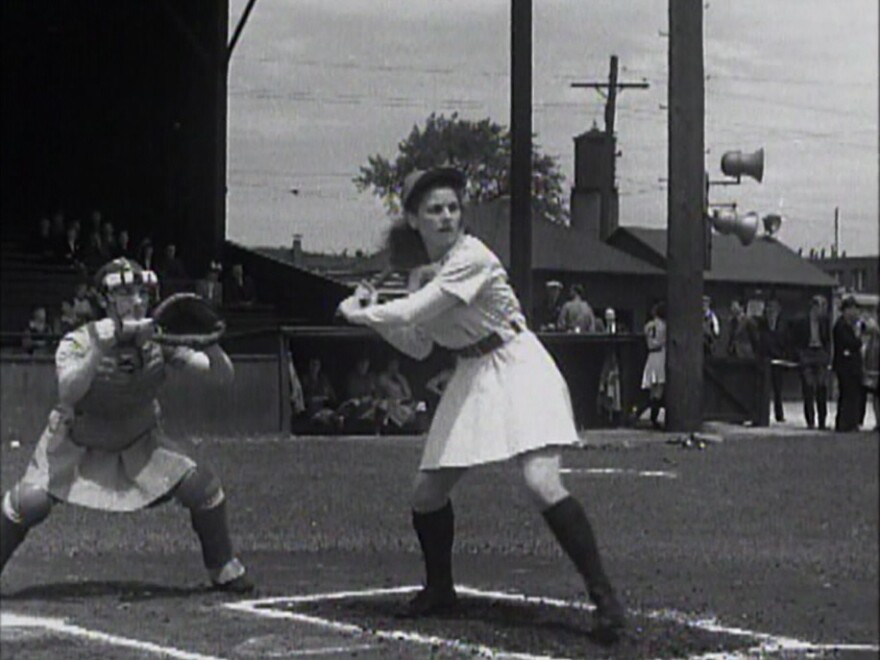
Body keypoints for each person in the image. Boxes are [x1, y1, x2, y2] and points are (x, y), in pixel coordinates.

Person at [336, 166, 625, 642]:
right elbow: (418, 346)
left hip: (518, 363)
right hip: (472, 374)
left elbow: (413, 313)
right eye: (434, 209)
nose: (447, 216)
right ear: (413, 219)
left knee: (540, 482)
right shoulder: (421, 274)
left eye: (452, 207)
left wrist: (359, 312)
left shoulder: (473, 255)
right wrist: (375, 319)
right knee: (426, 494)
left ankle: (605, 599)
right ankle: (440, 590)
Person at [0, 258, 253, 593]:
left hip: (139, 440)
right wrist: (100, 350)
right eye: (126, 294)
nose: (137, 302)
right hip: (78, 441)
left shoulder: (158, 340)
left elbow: (221, 378)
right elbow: (69, 392)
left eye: (141, 294)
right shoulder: (80, 339)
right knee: (29, 501)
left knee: (203, 487)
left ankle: (223, 566)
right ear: (106, 301)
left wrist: (212, 343)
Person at [790, 295, 831, 430]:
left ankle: (822, 421)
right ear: (814, 307)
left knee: (822, 387)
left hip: (819, 353)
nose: (823, 310)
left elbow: (827, 340)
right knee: (808, 387)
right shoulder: (802, 321)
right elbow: (794, 340)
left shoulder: (825, 322)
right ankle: (810, 420)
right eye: (821, 306)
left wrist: (826, 354)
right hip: (807, 353)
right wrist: (799, 355)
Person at [832, 296, 864, 432]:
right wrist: (857, 338)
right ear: (846, 310)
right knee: (846, 395)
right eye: (852, 309)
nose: (855, 313)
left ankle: (853, 422)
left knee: (854, 396)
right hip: (845, 367)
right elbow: (850, 344)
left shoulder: (851, 326)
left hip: (854, 367)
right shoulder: (840, 326)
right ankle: (843, 423)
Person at [757, 297, 790, 423]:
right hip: (765, 358)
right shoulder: (762, 323)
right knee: (764, 387)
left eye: (773, 308)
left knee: (778, 388)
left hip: (778, 358)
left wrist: (783, 354)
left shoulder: (783, 323)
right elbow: (761, 339)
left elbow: (786, 340)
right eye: (769, 308)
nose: (771, 311)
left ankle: (779, 414)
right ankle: (763, 414)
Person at [640, 302, 667, 430]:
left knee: (652, 388)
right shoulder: (664, 326)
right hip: (660, 354)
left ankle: (651, 414)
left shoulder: (648, 326)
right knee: (658, 388)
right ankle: (653, 417)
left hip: (651, 355)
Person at [596, 308, 622, 426]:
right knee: (604, 387)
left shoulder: (619, 329)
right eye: (607, 317)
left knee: (613, 389)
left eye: (611, 316)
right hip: (605, 359)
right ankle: (605, 415)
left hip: (615, 361)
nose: (609, 319)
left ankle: (614, 417)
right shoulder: (603, 329)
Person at [377, 357, 418, 430]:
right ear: (388, 365)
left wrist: (401, 381)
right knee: (392, 407)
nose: (394, 367)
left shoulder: (401, 378)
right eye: (392, 365)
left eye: (396, 365)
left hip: (402, 402)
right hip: (387, 402)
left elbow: (408, 394)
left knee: (414, 407)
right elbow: (381, 392)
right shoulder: (383, 377)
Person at [860, 306, 880, 431]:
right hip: (875, 364)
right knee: (876, 395)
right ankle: (878, 421)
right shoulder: (874, 328)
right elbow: (863, 328)